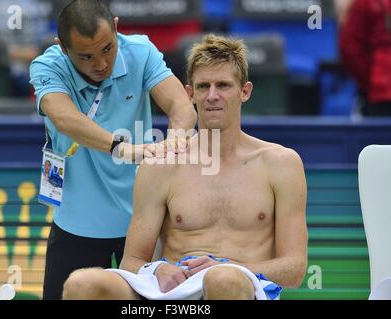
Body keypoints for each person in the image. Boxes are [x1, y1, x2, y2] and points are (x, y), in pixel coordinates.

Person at [61, 34, 308, 300]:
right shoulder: (161, 164)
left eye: (223, 85)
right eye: (203, 87)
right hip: (174, 293)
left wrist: (229, 268)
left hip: (247, 286)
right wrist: (156, 269)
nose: (212, 96)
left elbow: (294, 269)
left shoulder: (281, 163)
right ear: (189, 93)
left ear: (244, 91)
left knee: (222, 279)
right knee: (81, 284)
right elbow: (131, 261)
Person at [29, 0, 196, 300]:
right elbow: (66, 119)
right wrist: (126, 149)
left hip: (142, 228)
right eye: (86, 56)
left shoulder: (141, 52)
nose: (101, 63)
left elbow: (181, 105)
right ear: (63, 48)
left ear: (117, 28)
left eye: (108, 48)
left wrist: (176, 139)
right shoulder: (47, 66)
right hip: (76, 225)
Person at [340, 0, 391, 116]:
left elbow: (350, 47)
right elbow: (350, 47)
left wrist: (368, 80)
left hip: (380, 89)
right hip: (380, 91)